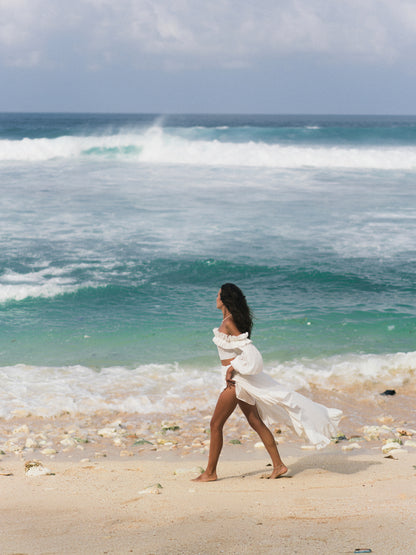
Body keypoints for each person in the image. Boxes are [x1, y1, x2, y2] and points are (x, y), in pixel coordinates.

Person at [194, 283, 342, 482]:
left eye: (218, 294)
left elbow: (250, 351)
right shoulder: (228, 320)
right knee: (255, 422)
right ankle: (278, 465)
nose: (216, 298)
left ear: (226, 299)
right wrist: (233, 367)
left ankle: (210, 473)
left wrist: (232, 367)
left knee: (215, 424)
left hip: (236, 382)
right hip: (238, 380)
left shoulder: (229, 322)